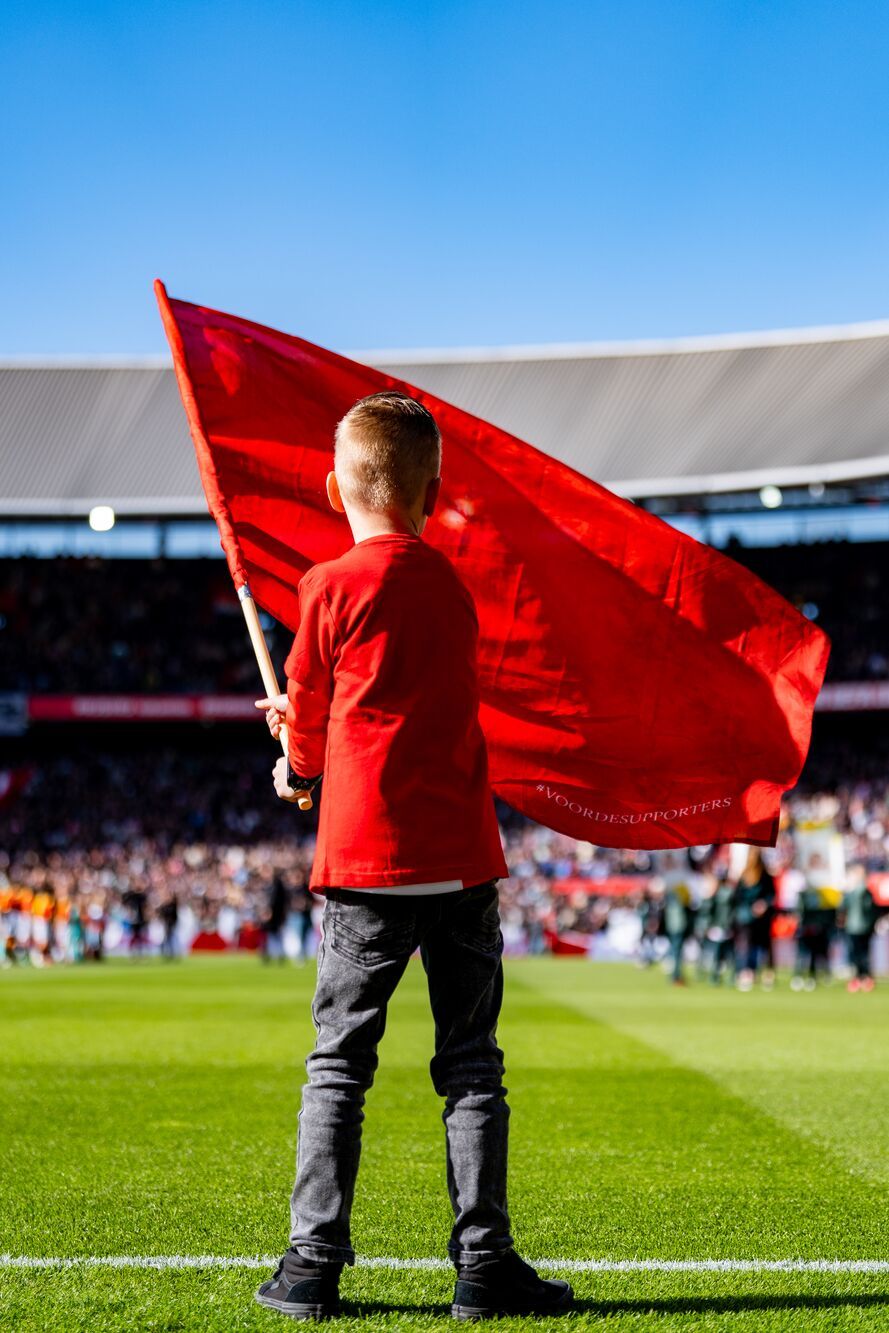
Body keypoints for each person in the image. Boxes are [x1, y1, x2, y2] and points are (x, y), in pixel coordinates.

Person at [253, 392, 573, 1320]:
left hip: (366, 861)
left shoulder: (326, 586)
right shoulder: (452, 588)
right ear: (432, 493)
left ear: (333, 488)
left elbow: (316, 724)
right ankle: (484, 1264)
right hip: (461, 858)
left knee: (338, 1065)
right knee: (471, 1063)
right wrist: (311, 729)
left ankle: (312, 1264)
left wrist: (294, 763)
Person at [731, 847, 776, 991]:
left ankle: (759, 972)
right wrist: (751, 907)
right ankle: (745, 972)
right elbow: (738, 898)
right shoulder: (744, 876)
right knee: (745, 945)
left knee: (761, 946)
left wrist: (763, 905)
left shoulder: (765, 875)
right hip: (746, 918)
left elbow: (771, 895)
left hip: (762, 919)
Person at [841, 864, 878, 992]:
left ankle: (862, 978)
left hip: (857, 928)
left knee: (859, 954)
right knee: (862, 954)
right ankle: (862, 978)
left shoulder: (859, 892)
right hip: (860, 927)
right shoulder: (864, 892)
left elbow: (844, 907)